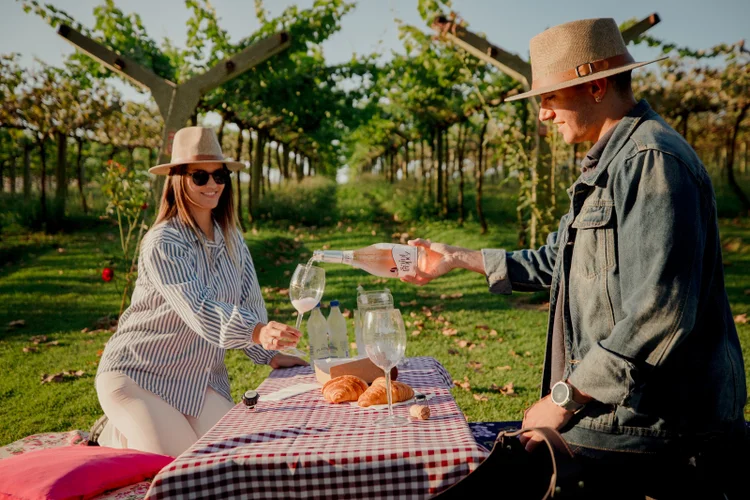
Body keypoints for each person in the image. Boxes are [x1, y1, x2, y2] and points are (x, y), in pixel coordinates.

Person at [403, 18, 747, 498]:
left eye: (549, 98)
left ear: (597, 86)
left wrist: (564, 398)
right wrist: (456, 257)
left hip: (658, 429)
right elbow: (555, 261)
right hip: (619, 417)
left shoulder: (650, 163)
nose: (542, 114)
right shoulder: (610, 164)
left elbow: (659, 316)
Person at [93, 126, 307, 457]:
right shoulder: (164, 242)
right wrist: (256, 331)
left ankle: (137, 430)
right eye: (200, 177)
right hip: (138, 373)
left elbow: (250, 303)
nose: (213, 185)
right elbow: (200, 309)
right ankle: (113, 435)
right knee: (182, 462)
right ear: (178, 178)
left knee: (233, 456)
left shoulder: (233, 240)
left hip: (198, 380)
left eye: (220, 176)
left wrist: (270, 351)